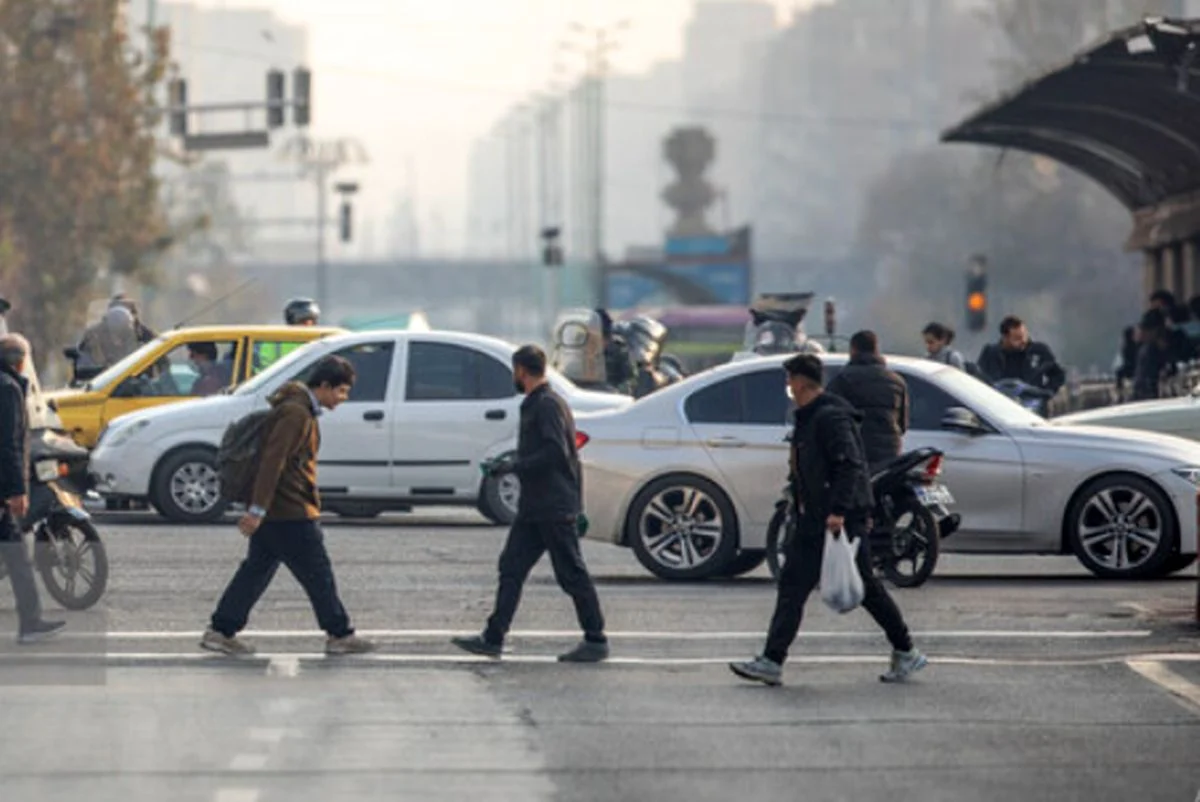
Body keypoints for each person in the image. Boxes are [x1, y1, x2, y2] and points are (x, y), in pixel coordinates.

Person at [730, 354, 925, 687]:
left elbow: (850, 466)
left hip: (838, 520)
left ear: (802, 382)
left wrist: (838, 511)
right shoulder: (808, 417)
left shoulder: (830, 418)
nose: (788, 386)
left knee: (866, 588)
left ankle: (906, 649)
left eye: (790, 380)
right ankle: (772, 660)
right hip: (814, 519)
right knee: (793, 587)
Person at [200, 355, 375, 656]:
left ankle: (221, 630)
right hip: (289, 511)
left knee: (255, 572)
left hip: (279, 511)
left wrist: (261, 510)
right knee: (318, 574)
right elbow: (272, 462)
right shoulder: (296, 414)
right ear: (323, 385)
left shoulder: (297, 409)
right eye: (341, 391)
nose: (342, 399)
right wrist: (257, 510)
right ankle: (339, 633)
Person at [452, 344, 609, 663]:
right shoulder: (541, 403)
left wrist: (513, 466)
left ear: (521, 370)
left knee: (571, 573)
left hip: (552, 506)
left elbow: (556, 453)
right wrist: (510, 462)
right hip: (536, 507)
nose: (514, 376)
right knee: (511, 567)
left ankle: (596, 639)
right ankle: (493, 637)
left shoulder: (547, 405)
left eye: (515, 371)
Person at [0, 334, 66, 644]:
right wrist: (17, 491)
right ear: (21, 361)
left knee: (17, 558)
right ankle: (30, 622)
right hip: (3, 489)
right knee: (17, 557)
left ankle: (31, 622)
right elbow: (9, 445)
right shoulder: (8, 388)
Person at [825, 330, 908, 472]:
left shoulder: (843, 379)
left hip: (857, 454)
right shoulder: (897, 382)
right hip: (890, 456)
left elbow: (829, 420)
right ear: (876, 349)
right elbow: (903, 425)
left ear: (853, 350)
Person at [975, 315, 1066, 394]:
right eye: (1017, 338)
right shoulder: (991, 353)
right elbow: (978, 376)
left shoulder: (1038, 351)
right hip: (1000, 399)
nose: (1023, 341)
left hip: (1031, 401)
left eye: (1024, 336)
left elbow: (1058, 375)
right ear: (1005, 337)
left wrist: (1045, 392)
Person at [77, 305, 140, 370]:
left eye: (122, 334)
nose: (117, 340)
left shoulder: (132, 344)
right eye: (113, 334)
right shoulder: (93, 342)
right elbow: (84, 367)